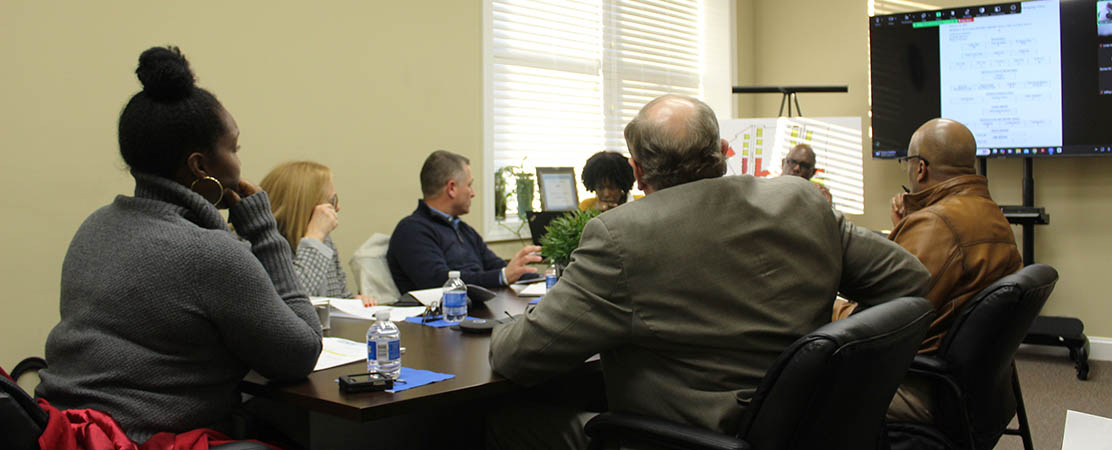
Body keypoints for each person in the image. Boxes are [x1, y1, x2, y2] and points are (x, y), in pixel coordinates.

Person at [486, 95, 930, 449]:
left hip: (685, 438)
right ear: (723, 152)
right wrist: (832, 353)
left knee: (497, 428)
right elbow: (908, 281)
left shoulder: (620, 235)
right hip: (808, 429)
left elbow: (518, 357)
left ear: (637, 173)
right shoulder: (802, 200)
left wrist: (501, 328)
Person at [35, 46, 323, 443]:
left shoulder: (94, 226)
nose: (239, 163)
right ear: (200, 166)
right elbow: (301, 352)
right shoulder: (207, 253)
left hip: (67, 432)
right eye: (234, 148)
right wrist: (265, 233)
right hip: (146, 440)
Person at [885, 118, 1023, 423]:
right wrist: (908, 227)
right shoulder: (991, 213)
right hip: (981, 391)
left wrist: (832, 307)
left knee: (798, 384)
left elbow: (883, 318)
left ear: (920, 168)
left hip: (926, 387)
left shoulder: (937, 224)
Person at [387, 150, 541, 293]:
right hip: (444, 318)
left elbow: (497, 266)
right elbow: (438, 281)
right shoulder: (412, 231)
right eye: (469, 185)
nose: (473, 193)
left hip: (483, 310)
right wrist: (502, 276)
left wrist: (543, 279)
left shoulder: (463, 229)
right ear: (451, 188)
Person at [260, 161, 374, 305]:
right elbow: (291, 303)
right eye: (332, 201)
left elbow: (337, 296)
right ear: (304, 205)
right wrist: (314, 239)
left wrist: (353, 302)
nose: (337, 207)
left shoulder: (323, 241)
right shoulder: (258, 246)